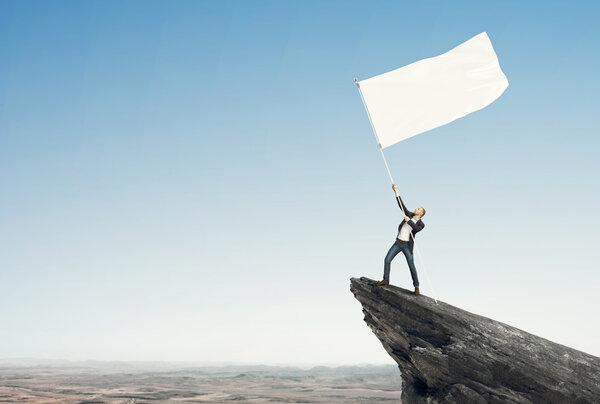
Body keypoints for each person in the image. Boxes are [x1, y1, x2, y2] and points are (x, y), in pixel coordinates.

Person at [376, 184, 426, 296]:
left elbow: (416, 229)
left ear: (421, 213)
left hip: (407, 246)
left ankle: (416, 286)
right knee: (387, 259)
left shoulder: (421, 224)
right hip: (398, 243)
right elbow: (401, 206)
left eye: (418, 209)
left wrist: (409, 221)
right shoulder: (409, 214)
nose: (416, 209)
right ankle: (386, 280)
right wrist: (396, 191)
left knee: (411, 266)